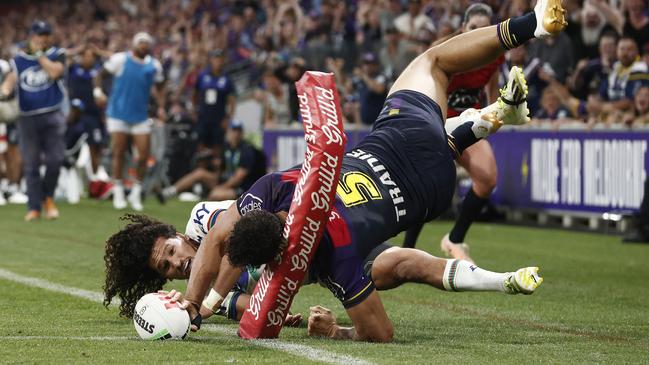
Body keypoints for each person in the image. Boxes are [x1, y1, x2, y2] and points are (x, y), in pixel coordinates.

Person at [107, 0, 566, 343]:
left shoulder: (331, 263)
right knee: (432, 62)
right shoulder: (276, 187)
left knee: (392, 256)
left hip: (429, 190)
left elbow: (376, 332)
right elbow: (224, 242)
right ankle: (529, 26)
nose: (177, 261)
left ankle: (496, 114)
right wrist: (206, 302)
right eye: (168, 268)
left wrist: (202, 304)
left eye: (169, 253)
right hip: (391, 148)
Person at [401, 3, 516, 264]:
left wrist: (498, 112)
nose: (478, 33)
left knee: (487, 179)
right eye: (473, 28)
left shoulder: (495, 54)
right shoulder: (446, 50)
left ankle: (454, 239)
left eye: (484, 29)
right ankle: (407, 249)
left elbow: (491, 89)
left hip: (470, 121)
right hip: (438, 121)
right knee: (427, 185)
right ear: (463, 29)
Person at [0, 20, 66, 221]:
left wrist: (39, 56)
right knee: (31, 164)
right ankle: (34, 206)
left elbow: (55, 72)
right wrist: (4, 90)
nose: (43, 38)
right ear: (32, 36)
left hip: (52, 114)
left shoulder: (57, 53)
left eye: (46, 34)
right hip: (27, 118)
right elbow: (11, 81)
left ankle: (48, 198)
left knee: (55, 160)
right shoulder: (18, 60)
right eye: (39, 34)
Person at [94, 32, 165, 211]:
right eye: (140, 42)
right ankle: (118, 190)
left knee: (143, 155)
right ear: (134, 44)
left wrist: (161, 106)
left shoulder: (154, 66)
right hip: (118, 113)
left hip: (140, 115)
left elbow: (159, 86)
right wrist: (98, 92)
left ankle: (135, 191)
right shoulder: (120, 59)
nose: (143, 46)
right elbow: (99, 74)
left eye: (146, 43)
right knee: (118, 151)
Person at [193, 49, 236, 156]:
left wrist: (228, 118)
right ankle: (201, 166)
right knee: (201, 143)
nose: (218, 61)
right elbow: (195, 93)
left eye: (220, 59)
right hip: (203, 116)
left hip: (219, 118)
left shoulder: (227, 79)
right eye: (215, 59)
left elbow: (232, 101)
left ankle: (216, 169)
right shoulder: (203, 76)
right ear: (211, 60)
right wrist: (194, 109)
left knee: (217, 145)